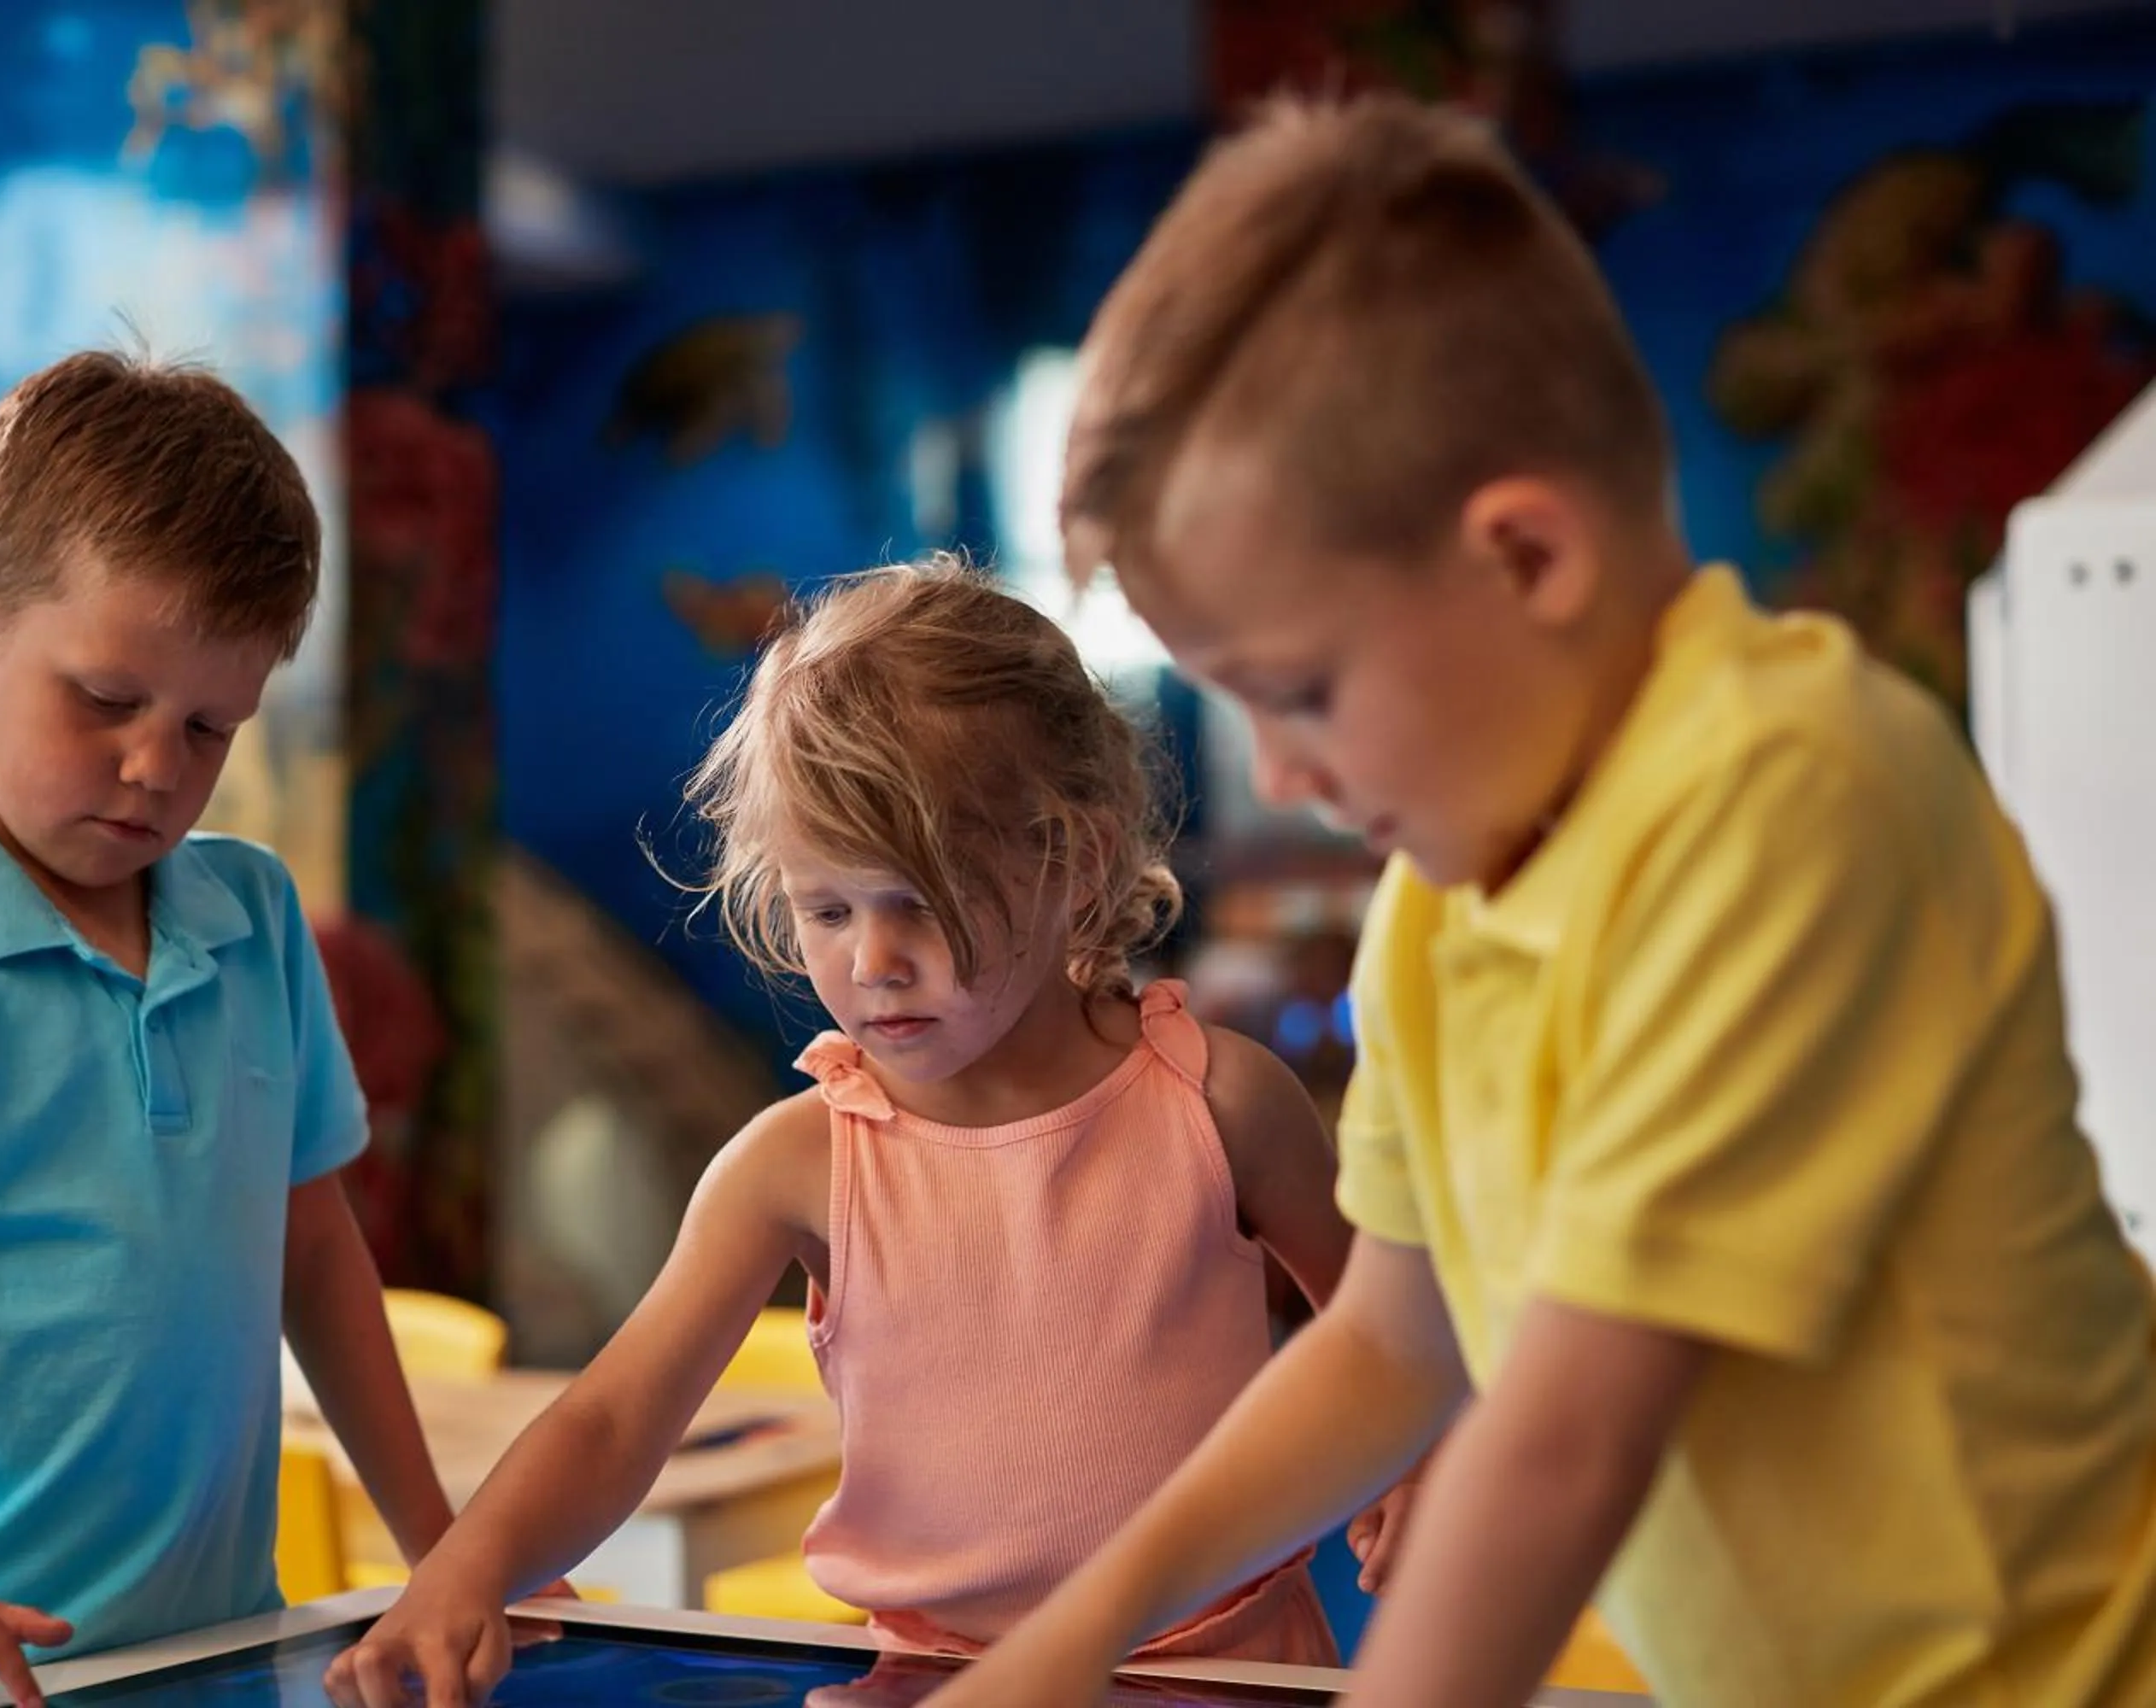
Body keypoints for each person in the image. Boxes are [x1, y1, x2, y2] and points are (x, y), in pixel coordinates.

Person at [923, 92, 2156, 1708]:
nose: (1283, 777)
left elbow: (1567, 1439)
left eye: (1299, 690)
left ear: (1525, 558)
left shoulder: (1789, 789)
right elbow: (1389, 1344)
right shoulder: (1452, 889)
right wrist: (1075, 1639)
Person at [325, 557, 1384, 1708]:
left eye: (922, 903)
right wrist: (463, 1571)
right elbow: (616, 1414)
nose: (873, 963)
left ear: (1070, 861)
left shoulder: (1219, 1102)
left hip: (1224, 1679)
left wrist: (1414, 1468)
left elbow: (1396, 1336)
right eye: (827, 909)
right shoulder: (798, 1160)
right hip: (928, 1682)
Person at [0, 351, 454, 1707]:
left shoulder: (259, 918)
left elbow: (316, 1251)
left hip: (215, 1658)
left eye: (210, 725)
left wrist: (450, 1553)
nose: (155, 766)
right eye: (107, 700)